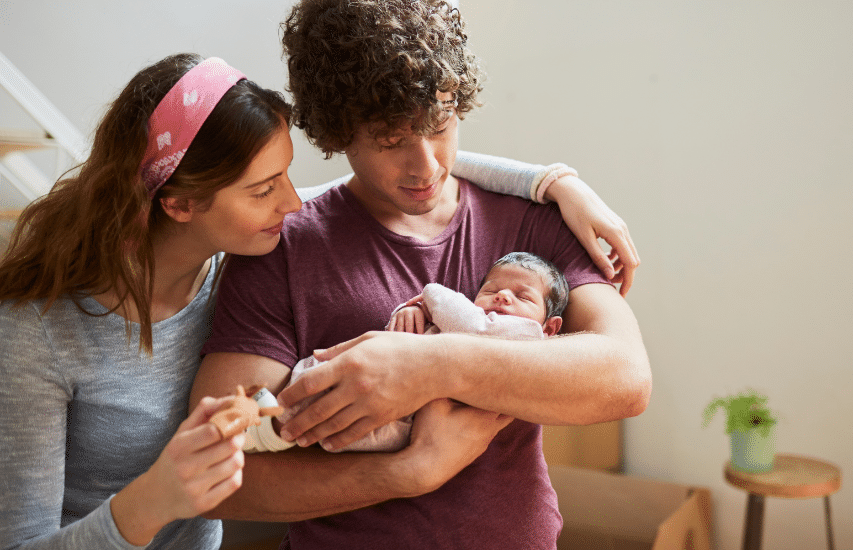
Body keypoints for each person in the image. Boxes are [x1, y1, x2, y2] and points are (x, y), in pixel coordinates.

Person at [0, 51, 635, 550]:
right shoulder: (37, 334)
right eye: (264, 188)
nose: (294, 203)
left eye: (286, 174)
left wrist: (554, 182)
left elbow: (383, 177)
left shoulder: (237, 249)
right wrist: (160, 499)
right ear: (180, 204)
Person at [191, 1, 652, 548]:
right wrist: (409, 472)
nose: (427, 165)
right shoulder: (280, 248)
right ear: (339, 132)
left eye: (441, 125)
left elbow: (625, 378)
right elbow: (220, 473)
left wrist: (428, 365)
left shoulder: (531, 224)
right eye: (390, 140)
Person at [245, 251, 569, 454]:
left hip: (412, 423)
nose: (502, 298)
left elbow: (473, 327)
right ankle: (266, 421)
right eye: (491, 290)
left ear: (550, 328)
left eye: (522, 296)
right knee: (328, 383)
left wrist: (430, 295)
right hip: (397, 398)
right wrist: (410, 310)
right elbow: (436, 327)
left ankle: (268, 431)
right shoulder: (471, 319)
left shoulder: (526, 336)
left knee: (335, 425)